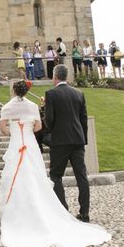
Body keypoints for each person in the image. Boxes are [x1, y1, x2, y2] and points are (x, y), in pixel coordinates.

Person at [0, 79, 111, 247]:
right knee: (43, 176)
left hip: (16, 145)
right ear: (26, 91)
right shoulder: (33, 106)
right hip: (32, 144)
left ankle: (20, 212)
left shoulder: (6, 107)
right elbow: (38, 127)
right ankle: (80, 211)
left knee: (20, 176)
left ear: (14, 91)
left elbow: (3, 128)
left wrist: (14, 131)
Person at [44, 64, 95, 224]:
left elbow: (50, 120)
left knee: (55, 176)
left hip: (60, 141)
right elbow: (83, 119)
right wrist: (83, 139)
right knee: (81, 176)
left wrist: (49, 129)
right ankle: (84, 213)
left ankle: (63, 211)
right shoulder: (79, 93)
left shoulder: (51, 94)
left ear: (55, 76)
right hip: (78, 140)